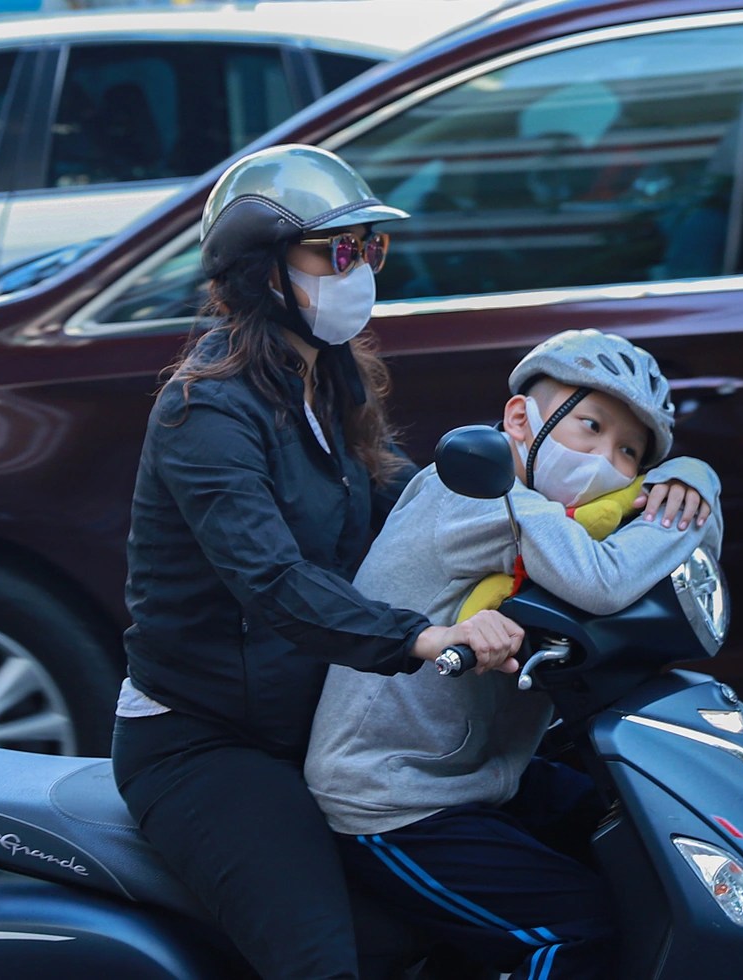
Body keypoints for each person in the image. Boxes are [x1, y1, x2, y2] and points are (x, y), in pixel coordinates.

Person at [110, 144, 524, 980]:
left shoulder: (330, 382)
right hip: (208, 742)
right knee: (323, 965)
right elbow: (272, 582)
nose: (360, 269)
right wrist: (421, 638)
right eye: (337, 251)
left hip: (320, 725)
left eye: (372, 248)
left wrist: (589, 502)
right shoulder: (204, 411)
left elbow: (412, 504)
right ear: (262, 271)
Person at [306, 329, 723, 979]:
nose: (605, 460)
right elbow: (604, 579)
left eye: (629, 452)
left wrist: (687, 476)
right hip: (393, 796)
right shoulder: (475, 492)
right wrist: (691, 504)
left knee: (649, 846)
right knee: (577, 931)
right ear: (520, 420)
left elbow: (645, 551)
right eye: (591, 426)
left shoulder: (554, 514)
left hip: (479, 775)